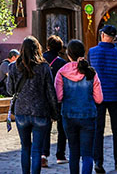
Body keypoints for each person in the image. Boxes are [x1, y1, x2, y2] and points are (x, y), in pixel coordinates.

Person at [7, 36, 58, 174]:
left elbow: (10, 90)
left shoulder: (13, 67)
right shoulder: (44, 67)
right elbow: (50, 92)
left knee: (25, 148)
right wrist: (55, 112)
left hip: (21, 112)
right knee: (37, 150)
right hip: (40, 111)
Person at [88, 24, 117, 173]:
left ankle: (98, 162)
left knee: (98, 130)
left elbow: (89, 77)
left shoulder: (92, 52)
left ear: (102, 35)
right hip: (115, 96)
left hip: (97, 96)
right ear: (113, 38)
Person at [56, 39, 103, 174]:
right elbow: (99, 99)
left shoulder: (61, 72)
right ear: (83, 53)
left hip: (69, 116)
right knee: (87, 154)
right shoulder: (91, 73)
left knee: (74, 152)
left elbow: (59, 97)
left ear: (68, 54)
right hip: (88, 115)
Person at [43, 36, 68, 166]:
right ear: (60, 48)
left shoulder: (41, 60)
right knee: (61, 128)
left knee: (45, 127)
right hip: (59, 98)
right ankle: (60, 155)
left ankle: (43, 154)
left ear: (48, 46)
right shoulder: (62, 63)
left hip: (44, 98)